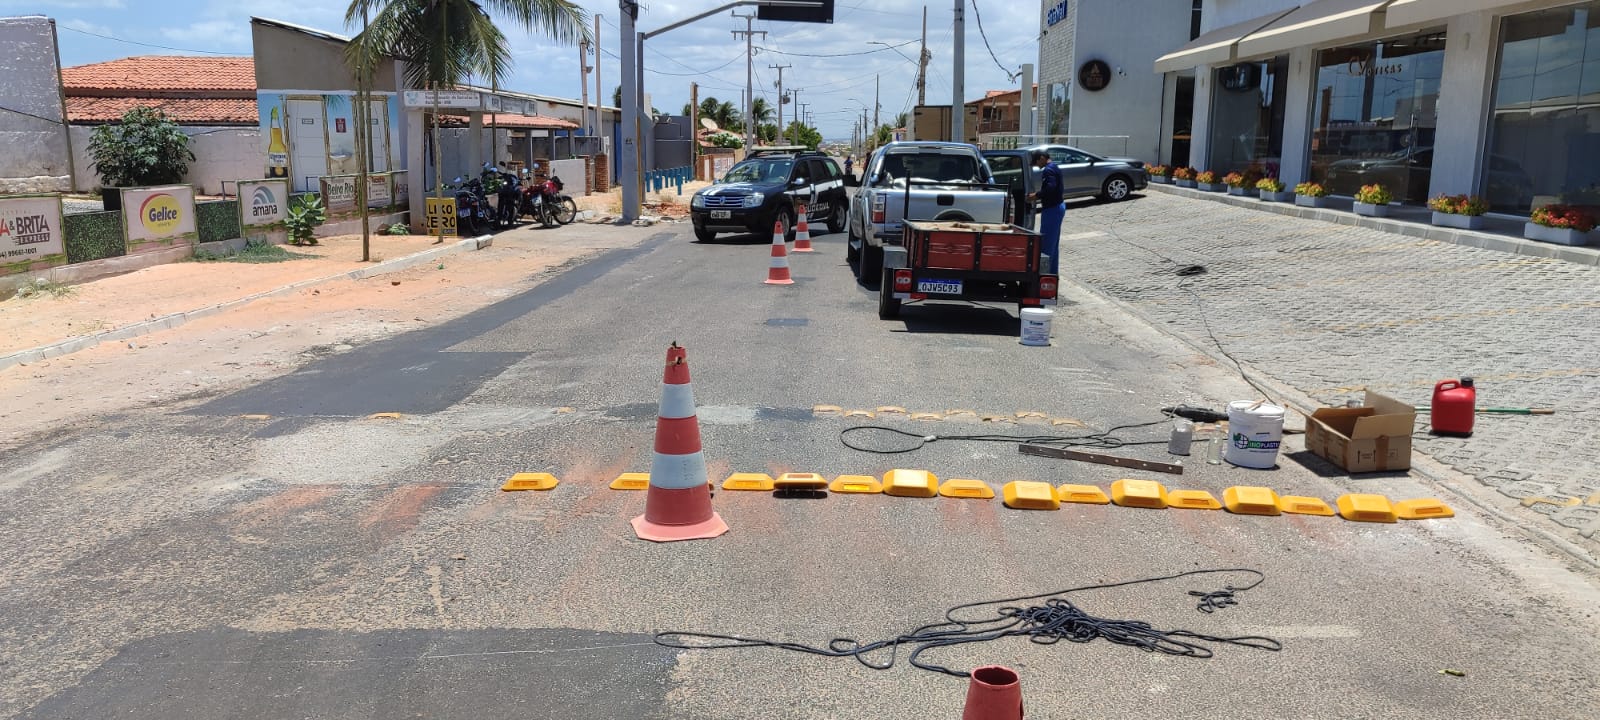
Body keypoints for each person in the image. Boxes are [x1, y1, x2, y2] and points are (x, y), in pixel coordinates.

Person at [1026, 150, 1064, 274]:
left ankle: (1044, 273)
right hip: (1057, 207)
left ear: (1042, 158)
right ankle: (1052, 272)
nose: (1037, 165)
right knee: (1053, 244)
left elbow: (1051, 187)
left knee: (1047, 243)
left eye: (1036, 162)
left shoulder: (1048, 170)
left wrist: (1035, 195)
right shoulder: (1054, 167)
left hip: (1052, 209)